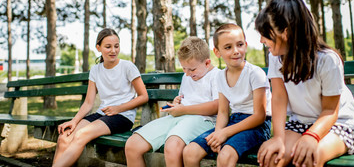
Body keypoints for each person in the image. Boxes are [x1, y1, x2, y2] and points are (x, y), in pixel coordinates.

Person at [255, 0, 354, 167]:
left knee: (307, 159)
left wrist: (312, 136)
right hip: (300, 122)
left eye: (266, 34)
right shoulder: (276, 58)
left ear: (286, 32)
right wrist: (278, 138)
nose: (261, 40)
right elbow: (279, 98)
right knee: (272, 159)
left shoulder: (327, 60)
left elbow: (330, 111)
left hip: (336, 123)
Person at [52, 28, 148, 167]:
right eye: (108, 47)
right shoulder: (95, 70)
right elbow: (88, 102)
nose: (113, 50)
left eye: (116, 46)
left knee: (81, 135)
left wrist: (118, 108)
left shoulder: (127, 67)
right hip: (101, 114)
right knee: (64, 137)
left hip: (122, 116)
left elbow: (143, 96)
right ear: (98, 48)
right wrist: (74, 121)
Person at [183, 23, 272, 167]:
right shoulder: (220, 76)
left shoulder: (255, 73)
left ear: (246, 45)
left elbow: (259, 116)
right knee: (190, 152)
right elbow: (223, 112)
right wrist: (218, 133)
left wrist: (225, 133)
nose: (236, 51)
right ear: (217, 52)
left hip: (257, 126)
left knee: (225, 155)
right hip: (233, 120)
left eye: (240, 44)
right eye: (228, 47)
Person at [125, 36, 220, 167]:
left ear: (207, 63)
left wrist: (183, 109)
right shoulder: (187, 76)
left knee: (171, 146)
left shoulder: (217, 76)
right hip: (180, 117)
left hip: (204, 120)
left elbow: (217, 106)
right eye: (184, 68)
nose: (187, 74)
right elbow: (184, 98)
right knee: (132, 145)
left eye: (192, 69)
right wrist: (177, 103)